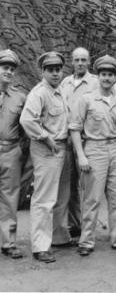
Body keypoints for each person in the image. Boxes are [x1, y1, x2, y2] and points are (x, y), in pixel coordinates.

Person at [69, 55, 116, 256]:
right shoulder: (86, 99)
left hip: (115, 150)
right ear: (98, 76)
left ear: (115, 77)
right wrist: (81, 156)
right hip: (94, 150)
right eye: (103, 74)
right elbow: (75, 129)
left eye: (111, 75)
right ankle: (86, 241)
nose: (107, 78)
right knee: (92, 198)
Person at [20, 51, 68, 263]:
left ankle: (58, 237)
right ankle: (40, 247)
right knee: (44, 199)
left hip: (62, 148)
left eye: (58, 69)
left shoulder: (60, 91)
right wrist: (45, 137)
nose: (55, 73)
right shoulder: (39, 93)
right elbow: (27, 120)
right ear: (43, 71)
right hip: (47, 149)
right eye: (50, 70)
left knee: (59, 197)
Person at [54, 47, 98, 243]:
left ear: (89, 62)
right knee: (69, 186)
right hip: (66, 140)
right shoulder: (64, 83)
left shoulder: (96, 82)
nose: (80, 63)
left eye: (84, 60)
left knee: (88, 186)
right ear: (72, 62)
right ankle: (75, 225)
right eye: (77, 60)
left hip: (87, 140)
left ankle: (89, 229)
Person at [0, 49, 25, 259]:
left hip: (10, 151)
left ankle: (8, 242)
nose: (8, 72)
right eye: (4, 67)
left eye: (11, 68)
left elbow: (25, 127)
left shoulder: (19, 97)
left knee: (9, 198)